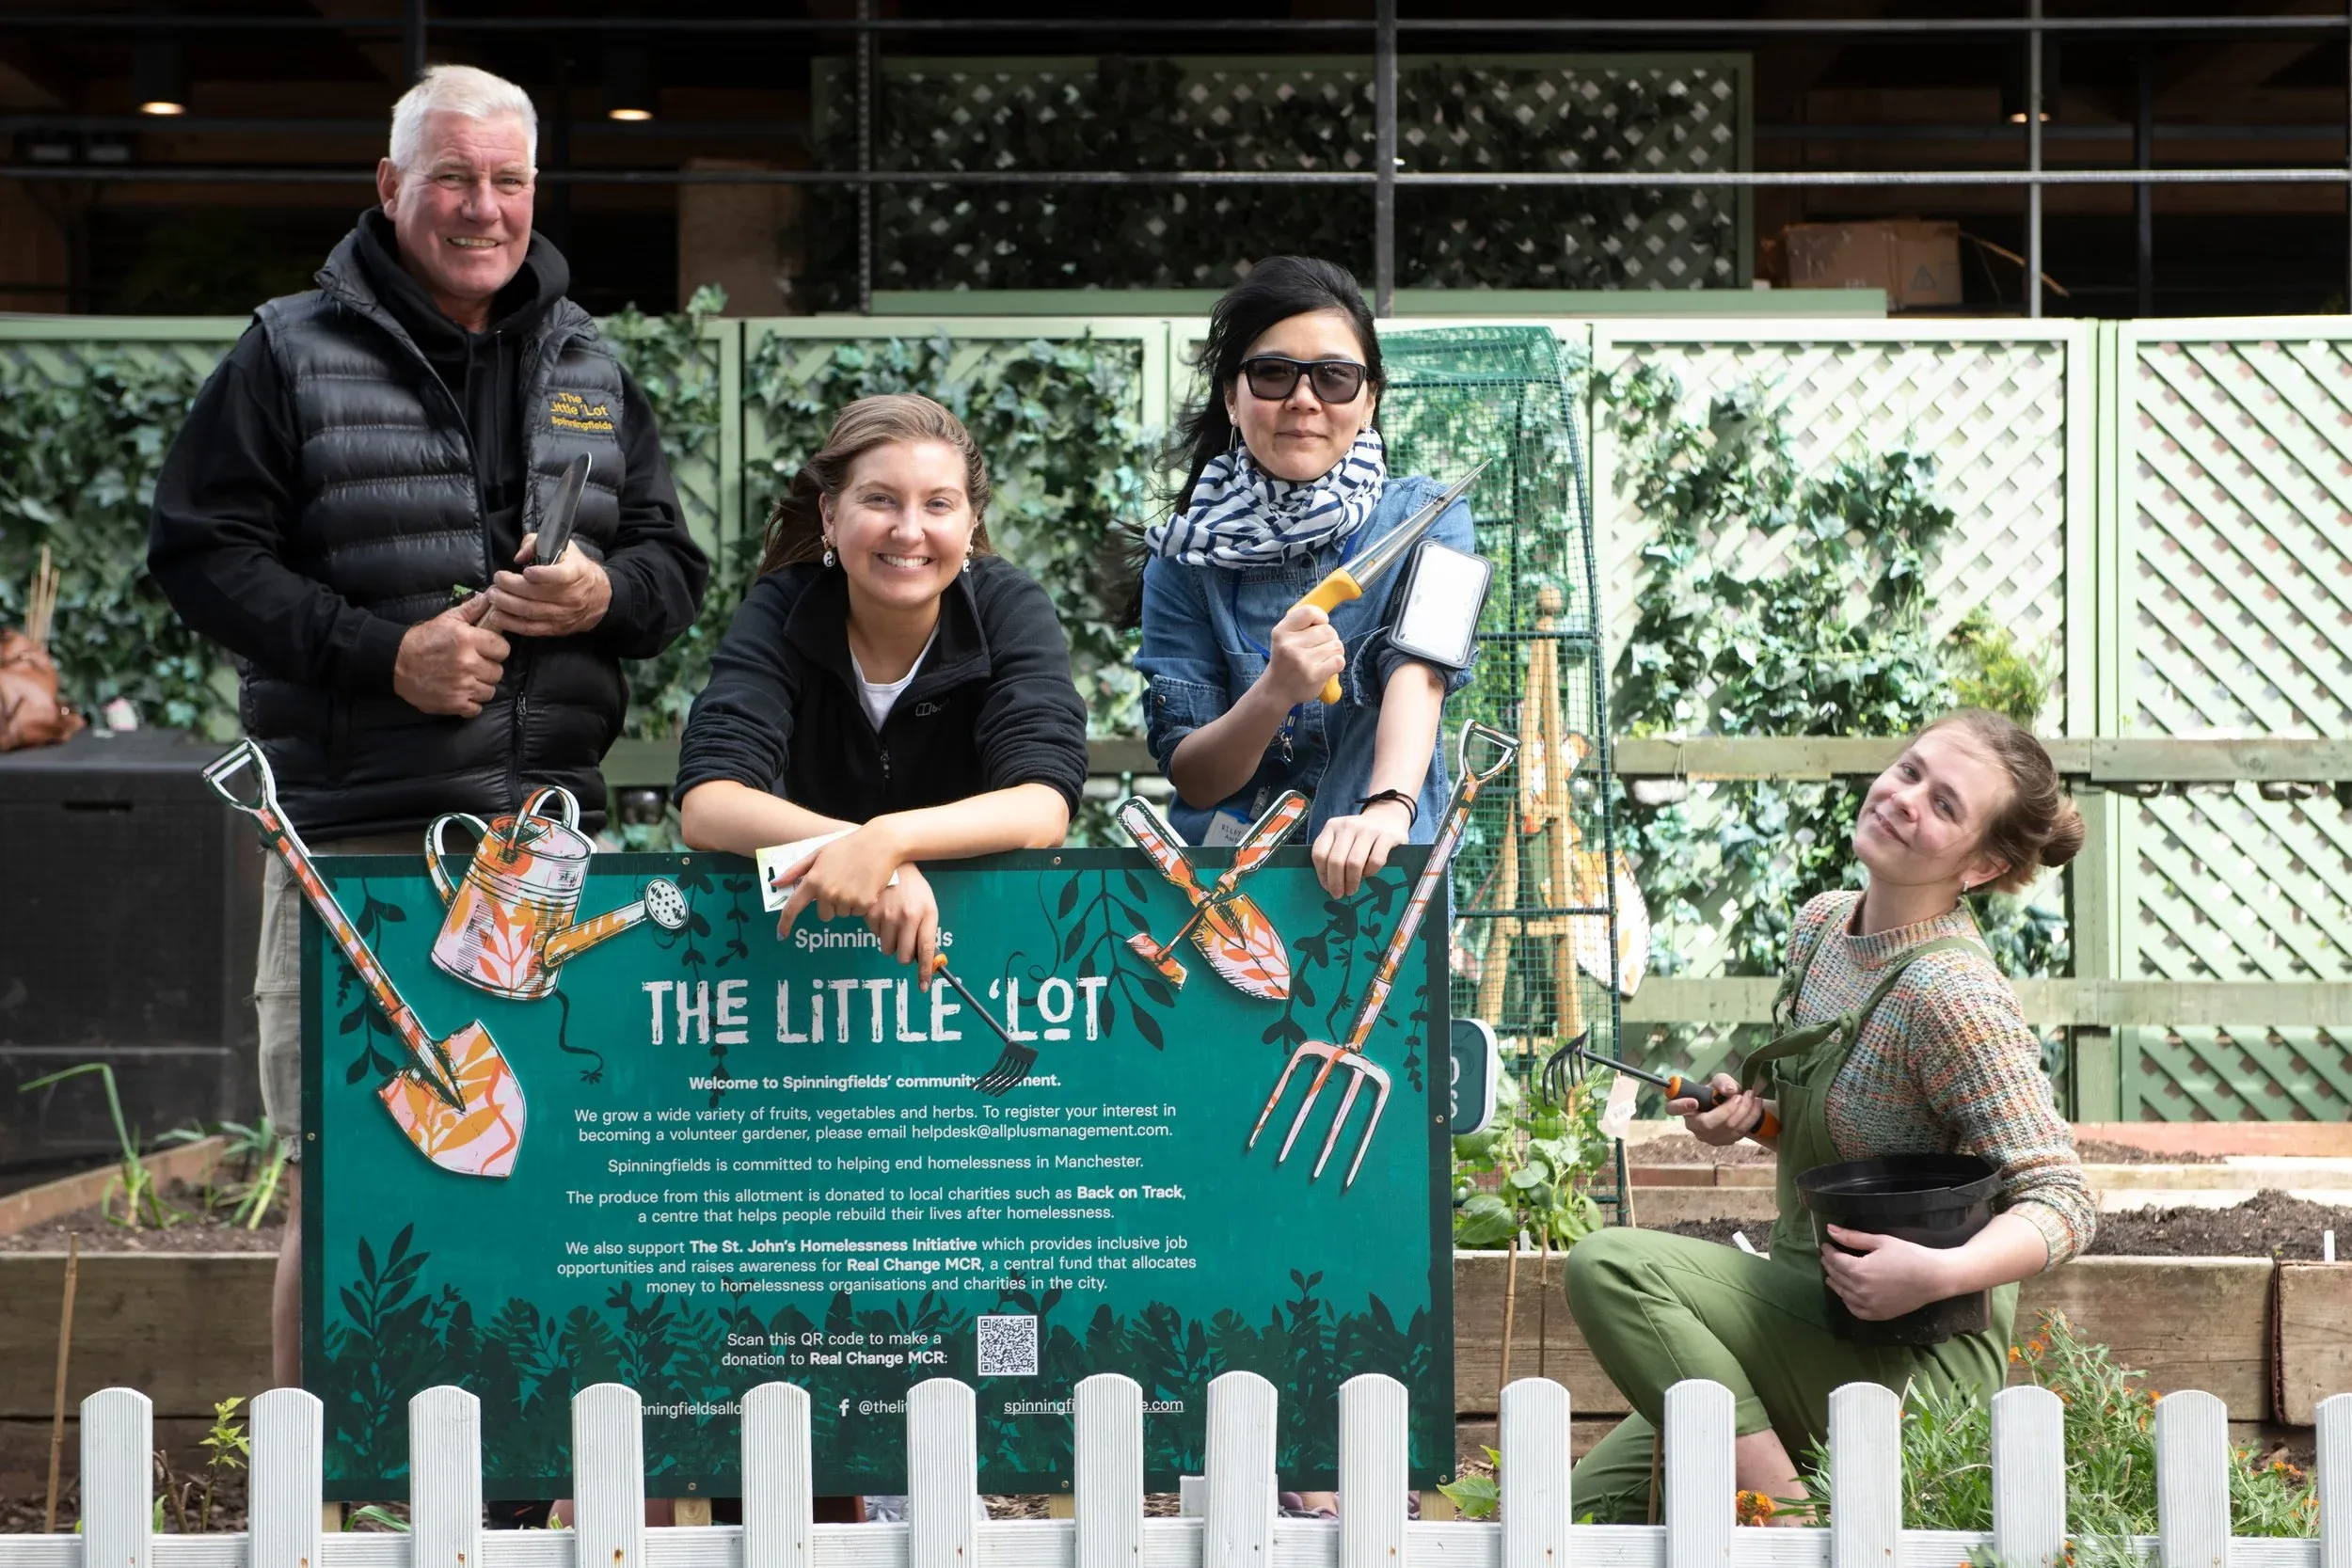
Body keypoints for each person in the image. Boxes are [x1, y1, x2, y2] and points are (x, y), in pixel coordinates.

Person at [145, 65, 710, 1402]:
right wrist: (381, 654)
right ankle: (322, 1493)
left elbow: (673, 571)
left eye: (507, 179)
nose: (483, 207)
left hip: (543, 855)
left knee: (552, 1172)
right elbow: (198, 552)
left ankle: (520, 1489)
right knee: (343, 1172)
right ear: (392, 186)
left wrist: (602, 594)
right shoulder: (288, 351)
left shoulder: (588, 361)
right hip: (357, 846)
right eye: (453, 177)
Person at [1564, 709, 2096, 1523]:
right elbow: (1860, 1135)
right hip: (1805, 1318)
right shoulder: (1822, 928)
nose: (1906, 798)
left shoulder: (1952, 995)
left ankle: (1790, 1522)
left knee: (1610, 1265)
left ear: (1983, 864)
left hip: (1909, 1357)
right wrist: (1754, 1120)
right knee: (1578, 1519)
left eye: (1945, 804)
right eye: (1910, 770)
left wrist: (1937, 1273)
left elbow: (2065, 1198)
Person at [675, 392, 1089, 970]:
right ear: (829, 515)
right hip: (808, 942)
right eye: (880, 500)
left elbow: (1042, 806)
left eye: (938, 504)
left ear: (972, 522)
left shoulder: (1008, 607)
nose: (908, 530)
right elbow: (708, 804)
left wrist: (888, 842)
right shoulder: (783, 606)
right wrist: (871, 861)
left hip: (982, 942)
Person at [1134, 256, 1475, 899]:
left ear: (1369, 399)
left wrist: (1388, 807)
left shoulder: (1435, 519)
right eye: (1273, 373)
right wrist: (1274, 692)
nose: (1303, 399)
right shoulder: (1184, 558)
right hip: (1223, 897)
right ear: (1232, 398)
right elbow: (1196, 779)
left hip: (1380, 879)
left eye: (1334, 377)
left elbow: (1420, 674)